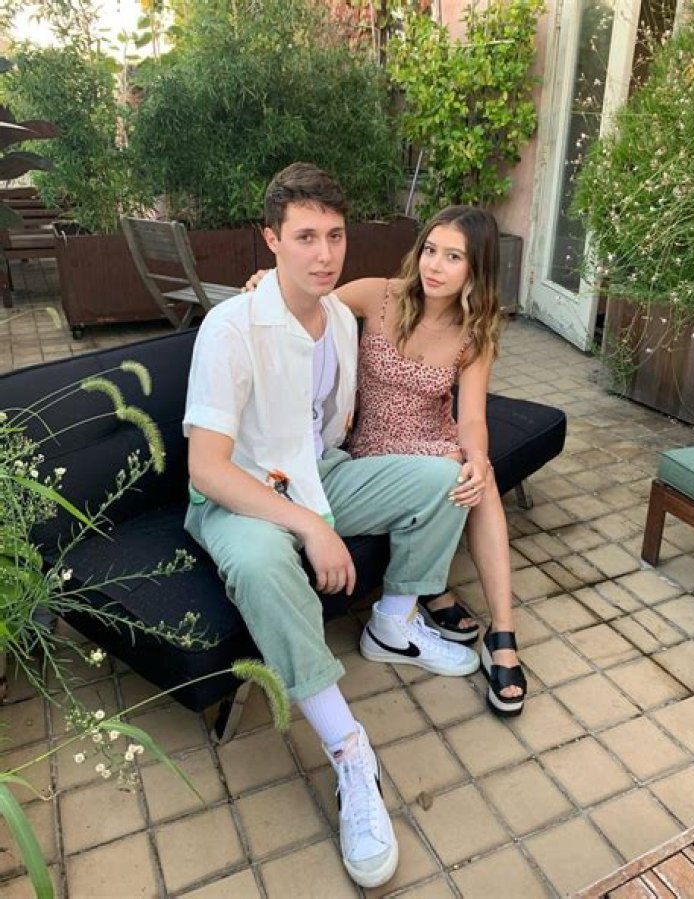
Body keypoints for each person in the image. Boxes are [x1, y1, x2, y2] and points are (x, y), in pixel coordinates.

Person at [182, 163, 479, 889]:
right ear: (271, 240)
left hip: (320, 474)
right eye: (305, 237)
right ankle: (351, 752)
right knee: (262, 563)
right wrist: (312, 529)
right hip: (241, 492)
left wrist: (452, 446)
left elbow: (330, 428)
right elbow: (207, 468)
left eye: (335, 236)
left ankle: (394, 623)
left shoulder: (342, 320)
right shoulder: (231, 327)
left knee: (448, 477)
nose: (324, 254)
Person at [246, 205, 527, 717]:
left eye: (454, 257)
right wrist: (269, 281)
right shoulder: (378, 295)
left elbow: (471, 418)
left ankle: (502, 634)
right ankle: (428, 597)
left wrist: (478, 456)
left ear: (477, 269)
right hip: (370, 445)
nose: (434, 265)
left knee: (475, 476)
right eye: (430, 250)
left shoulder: (475, 333)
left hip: (433, 439)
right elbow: (307, 302)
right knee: (457, 476)